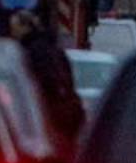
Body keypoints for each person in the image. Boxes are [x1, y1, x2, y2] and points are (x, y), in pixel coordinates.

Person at [10, 10, 85, 151]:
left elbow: (42, 82)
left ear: (25, 27)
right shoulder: (54, 48)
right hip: (67, 113)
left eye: (15, 27)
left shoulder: (32, 52)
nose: (13, 32)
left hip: (50, 114)